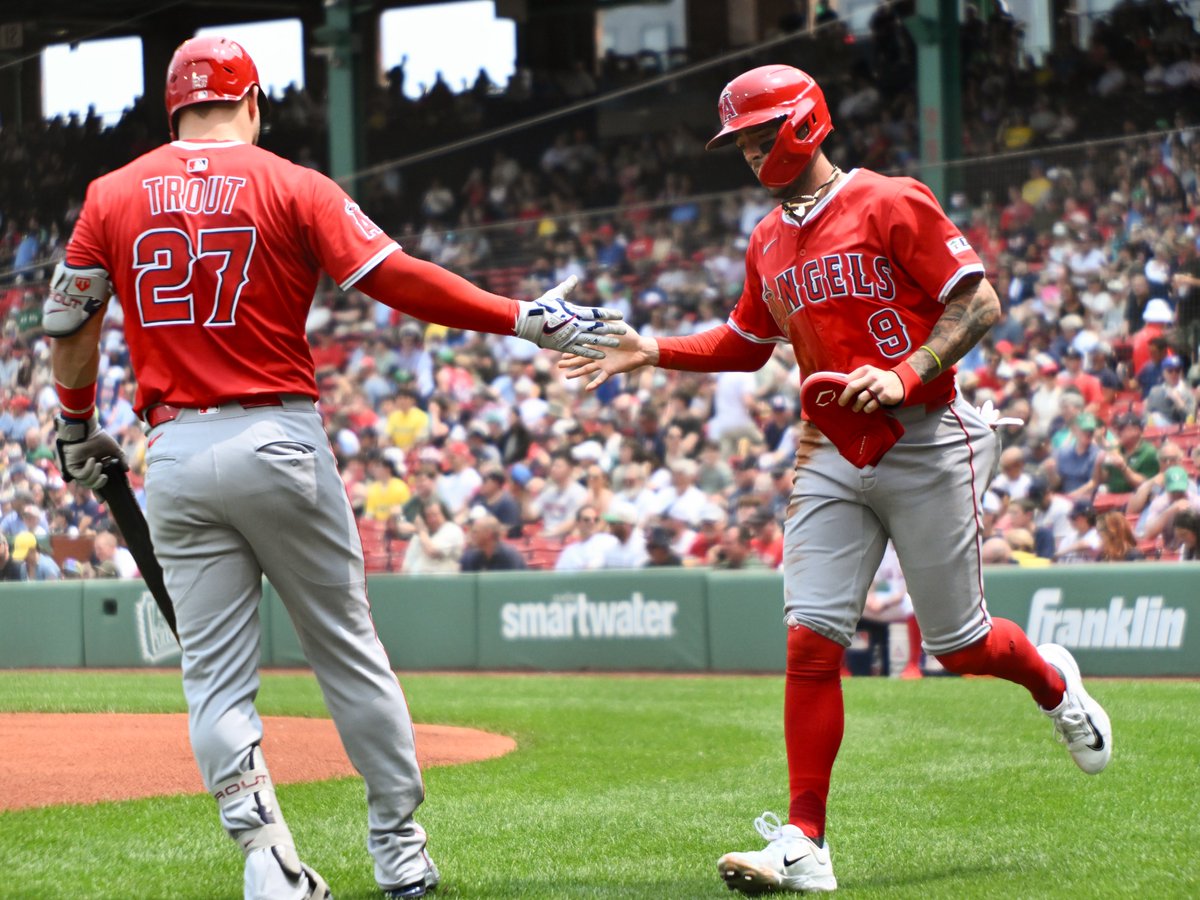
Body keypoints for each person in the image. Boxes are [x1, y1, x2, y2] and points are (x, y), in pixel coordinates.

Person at [45, 37, 623, 900]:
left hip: (170, 449)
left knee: (212, 676)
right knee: (348, 653)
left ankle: (265, 856)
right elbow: (397, 280)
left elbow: (68, 322)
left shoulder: (110, 193)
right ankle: (398, 849)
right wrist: (520, 317)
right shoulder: (290, 181)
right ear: (252, 103)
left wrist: (75, 424)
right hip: (276, 435)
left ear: (173, 109)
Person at [561, 64, 1111, 894]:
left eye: (758, 134)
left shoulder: (891, 199)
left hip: (927, 438)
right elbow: (748, 343)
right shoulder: (766, 238)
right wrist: (652, 350)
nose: (749, 152)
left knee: (960, 648)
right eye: (739, 143)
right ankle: (804, 841)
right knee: (809, 640)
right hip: (828, 445)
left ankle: (1052, 682)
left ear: (805, 123)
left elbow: (981, 302)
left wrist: (908, 368)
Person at [459, 514, 526, 571]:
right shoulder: (471, 556)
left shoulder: (509, 556)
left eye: (475, 532)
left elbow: (515, 584)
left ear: (488, 534)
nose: (471, 536)